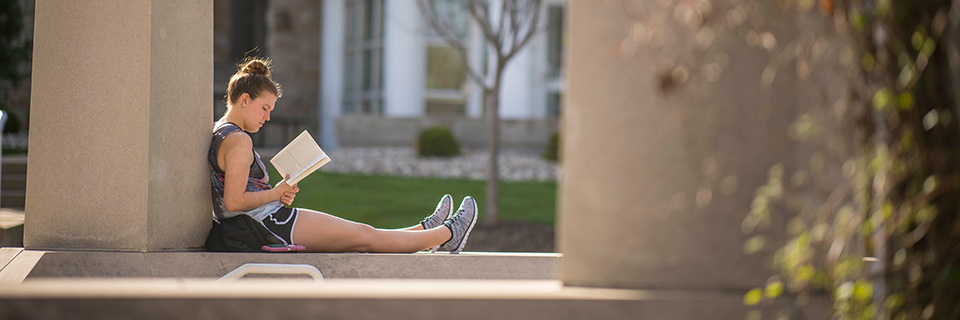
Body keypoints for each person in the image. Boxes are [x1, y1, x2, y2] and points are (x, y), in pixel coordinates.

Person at [206, 58, 477, 253]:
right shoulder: (239, 140)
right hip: (267, 225)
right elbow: (233, 201)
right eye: (264, 108)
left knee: (364, 234)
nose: (268, 117)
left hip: (265, 221)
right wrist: (276, 193)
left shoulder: (220, 130)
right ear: (244, 100)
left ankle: (424, 231)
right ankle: (448, 234)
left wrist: (278, 192)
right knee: (364, 237)